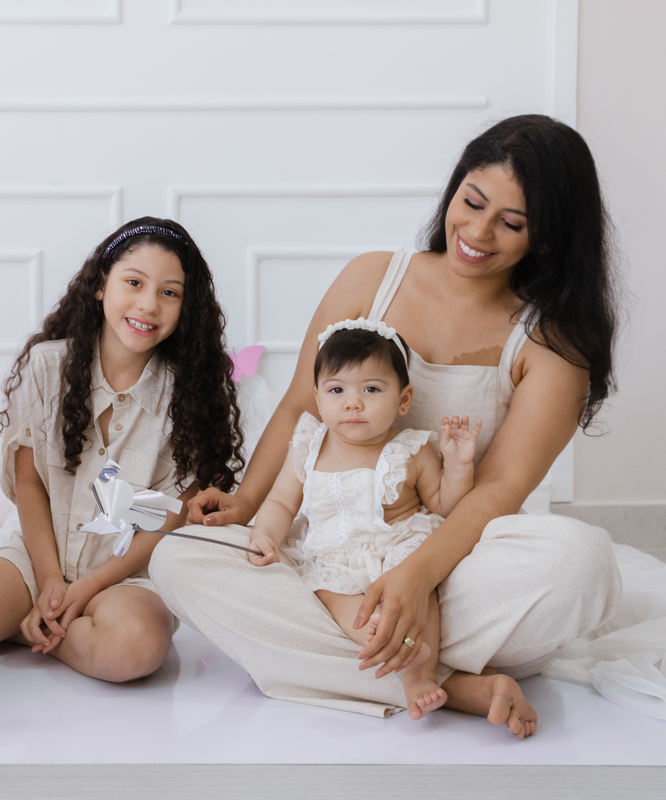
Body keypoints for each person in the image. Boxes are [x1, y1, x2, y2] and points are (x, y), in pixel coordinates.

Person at [150, 114, 622, 734]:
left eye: (511, 223)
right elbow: (299, 407)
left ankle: (370, 656)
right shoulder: (372, 277)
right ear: (454, 188)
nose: (478, 232)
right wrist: (247, 503)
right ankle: (451, 684)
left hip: (457, 564)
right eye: (472, 202)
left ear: (550, 236)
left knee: (582, 562)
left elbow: (499, 491)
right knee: (178, 558)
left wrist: (415, 577)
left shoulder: (553, 343)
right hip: (332, 559)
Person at [0, 218, 244, 681]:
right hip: (42, 559)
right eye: (134, 282)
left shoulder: (192, 395)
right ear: (101, 285)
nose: (148, 304)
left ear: (187, 306)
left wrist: (87, 588)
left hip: (126, 576)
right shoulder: (47, 366)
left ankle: (24, 628)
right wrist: (50, 582)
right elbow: (29, 482)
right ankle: (29, 611)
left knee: (134, 650)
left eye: (169, 292)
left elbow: (169, 519)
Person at [252, 320, 483, 723]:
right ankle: (380, 637)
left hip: (397, 551)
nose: (353, 403)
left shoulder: (411, 450)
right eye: (336, 390)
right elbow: (280, 502)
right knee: (332, 596)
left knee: (421, 590)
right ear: (318, 399)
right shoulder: (308, 446)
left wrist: (459, 466)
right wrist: (264, 535)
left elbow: (445, 505)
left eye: (371, 389)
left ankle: (420, 673)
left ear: (403, 399)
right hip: (333, 558)